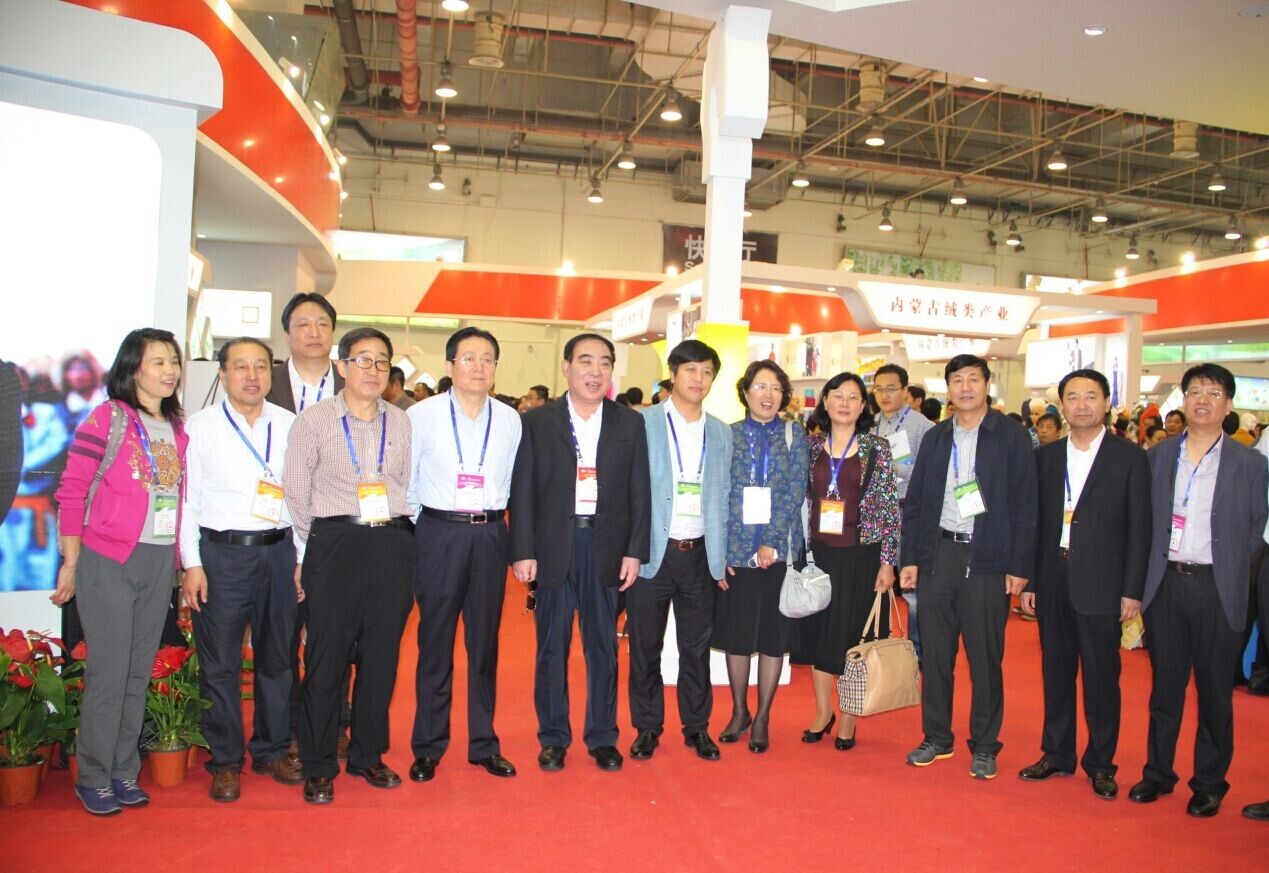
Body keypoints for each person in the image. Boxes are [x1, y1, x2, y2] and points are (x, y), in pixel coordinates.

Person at [52, 328, 188, 815]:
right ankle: (92, 774)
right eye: (158, 362)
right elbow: (71, 491)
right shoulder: (108, 418)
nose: (170, 371)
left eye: (174, 361)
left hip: (158, 560)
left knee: (137, 671)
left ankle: (123, 770)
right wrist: (71, 563)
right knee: (109, 673)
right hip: (108, 558)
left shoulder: (177, 427)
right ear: (133, 369)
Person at [1128, 364, 1269, 818]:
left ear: (1228, 404)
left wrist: (1228, 565)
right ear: (1183, 401)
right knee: (1165, 688)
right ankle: (1158, 773)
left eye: (1213, 392)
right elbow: (1143, 520)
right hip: (1166, 582)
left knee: (1214, 691)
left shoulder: (1252, 463)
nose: (1202, 400)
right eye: (1194, 392)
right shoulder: (1157, 456)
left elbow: (1256, 528)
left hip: (1217, 586)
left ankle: (1209, 782)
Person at [283, 327, 415, 804]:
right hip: (336, 543)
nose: (372, 370)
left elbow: (405, 482)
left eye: (381, 362)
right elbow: (296, 491)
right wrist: (318, 541)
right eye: (362, 360)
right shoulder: (314, 420)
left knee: (381, 658)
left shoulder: (400, 422)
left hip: (391, 544)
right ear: (342, 367)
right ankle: (319, 763)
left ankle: (367, 754)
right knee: (326, 659)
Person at [510, 334, 650, 772]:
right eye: (585, 361)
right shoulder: (538, 422)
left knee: (603, 647)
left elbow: (640, 491)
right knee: (551, 646)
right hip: (554, 545)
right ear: (566, 367)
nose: (595, 371)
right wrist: (523, 549)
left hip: (606, 547)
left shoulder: (629, 423)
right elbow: (523, 490)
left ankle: (603, 736)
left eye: (604, 363)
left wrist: (635, 551)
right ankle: (553, 737)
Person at [899, 354, 1037, 780]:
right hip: (939, 555)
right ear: (948, 388)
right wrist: (911, 558)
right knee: (936, 654)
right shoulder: (937, 437)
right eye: (957, 380)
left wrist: (1020, 565)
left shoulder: (1011, 436)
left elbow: (1026, 504)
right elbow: (916, 503)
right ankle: (937, 736)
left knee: (985, 658)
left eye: (972, 379)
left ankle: (985, 745)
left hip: (987, 558)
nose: (965, 388)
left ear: (986, 384)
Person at [180, 338, 303, 802]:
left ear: (271, 373)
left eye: (260, 367)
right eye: (240, 367)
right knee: (221, 665)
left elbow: (302, 497)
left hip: (279, 551)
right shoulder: (200, 427)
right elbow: (188, 502)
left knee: (278, 658)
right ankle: (226, 760)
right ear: (222, 374)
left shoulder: (290, 424)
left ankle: (271, 749)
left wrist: (302, 558)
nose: (252, 376)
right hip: (222, 555)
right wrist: (191, 563)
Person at [1018, 369, 1150, 800]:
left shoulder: (1129, 458)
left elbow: (1141, 529)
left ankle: (1101, 763)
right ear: (1062, 405)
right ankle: (1057, 753)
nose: (1081, 405)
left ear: (1107, 403)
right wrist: (1031, 579)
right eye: (1072, 397)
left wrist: (1132, 590)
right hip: (1053, 575)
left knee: (1101, 677)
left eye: (1090, 396)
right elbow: (1034, 524)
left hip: (1103, 581)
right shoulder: (1046, 457)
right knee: (1055, 672)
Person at [407, 327, 522, 783]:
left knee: (485, 643)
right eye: (469, 357)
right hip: (439, 532)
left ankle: (483, 743)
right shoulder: (422, 415)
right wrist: (421, 535)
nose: (479, 366)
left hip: (491, 534)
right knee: (434, 641)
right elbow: (407, 480)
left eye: (488, 358)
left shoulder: (510, 419)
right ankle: (428, 745)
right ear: (450, 365)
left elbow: (514, 484)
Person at [626, 340, 732, 762]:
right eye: (690, 370)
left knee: (696, 649)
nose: (698, 379)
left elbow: (725, 495)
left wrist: (722, 556)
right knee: (644, 648)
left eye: (706, 372)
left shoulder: (721, 432)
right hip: (652, 553)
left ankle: (697, 727)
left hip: (700, 555)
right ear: (672, 374)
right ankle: (647, 727)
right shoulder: (643, 423)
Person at [791, 372, 900, 751]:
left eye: (853, 397)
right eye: (837, 395)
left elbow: (889, 510)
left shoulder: (877, 448)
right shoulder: (810, 446)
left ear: (863, 406)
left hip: (861, 557)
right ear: (825, 401)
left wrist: (888, 562)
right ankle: (823, 712)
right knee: (821, 636)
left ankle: (849, 717)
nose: (844, 403)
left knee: (855, 640)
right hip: (817, 557)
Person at [263, 292, 351, 758]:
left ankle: (334, 723)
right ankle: (289, 729)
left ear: (333, 333)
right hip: (277, 529)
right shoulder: (264, 383)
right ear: (287, 334)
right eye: (303, 324)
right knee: (280, 641)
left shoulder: (354, 382)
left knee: (336, 636)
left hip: (338, 534)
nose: (313, 332)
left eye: (322, 324)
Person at [712, 361, 808, 754]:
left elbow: (795, 490)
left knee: (772, 637)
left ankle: (763, 716)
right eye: (760, 386)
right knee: (737, 635)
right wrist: (720, 552)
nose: (767, 395)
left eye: (775, 388)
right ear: (746, 391)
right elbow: (718, 492)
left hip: (779, 552)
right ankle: (739, 711)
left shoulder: (794, 434)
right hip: (737, 552)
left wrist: (771, 541)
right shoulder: (728, 434)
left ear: (783, 395)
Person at [872, 364, 934, 662]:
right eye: (879, 389)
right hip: (877, 514)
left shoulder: (922, 427)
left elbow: (928, 473)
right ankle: (876, 646)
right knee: (877, 582)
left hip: (909, 512)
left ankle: (918, 652)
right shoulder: (870, 424)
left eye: (891, 389)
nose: (884, 395)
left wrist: (888, 465)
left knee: (911, 588)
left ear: (905, 391)